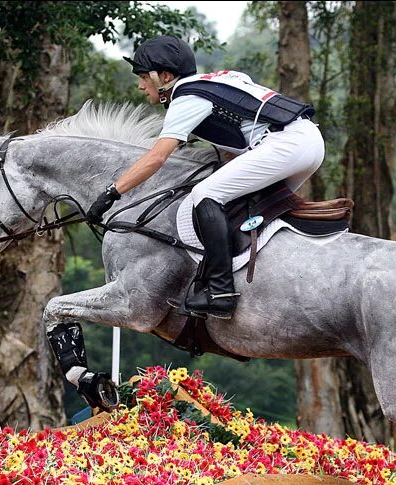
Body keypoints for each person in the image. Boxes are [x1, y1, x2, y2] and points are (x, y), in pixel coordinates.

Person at [85, 35, 325, 320]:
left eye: (143, 77)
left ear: (165, 76)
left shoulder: (187, 97)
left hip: (286, 146)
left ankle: (221, 291)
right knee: (245, 209)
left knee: (204, 195)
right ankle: (258, 284)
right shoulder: (214, 82)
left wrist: (111, 192)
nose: (140, 85)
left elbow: (156, 158)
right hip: (307, 142)